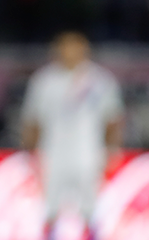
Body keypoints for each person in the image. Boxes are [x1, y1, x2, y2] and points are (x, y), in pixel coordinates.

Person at [21, 31, 124, 240]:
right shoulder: (44, 80)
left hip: (88, 154)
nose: (70, 52)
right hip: (53, 154)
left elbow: (113, 119)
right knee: (49, 209)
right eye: (65, 47)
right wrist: (29, 150)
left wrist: (112, 149)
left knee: (92, 209)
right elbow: (32, 120)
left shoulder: (100, 80)